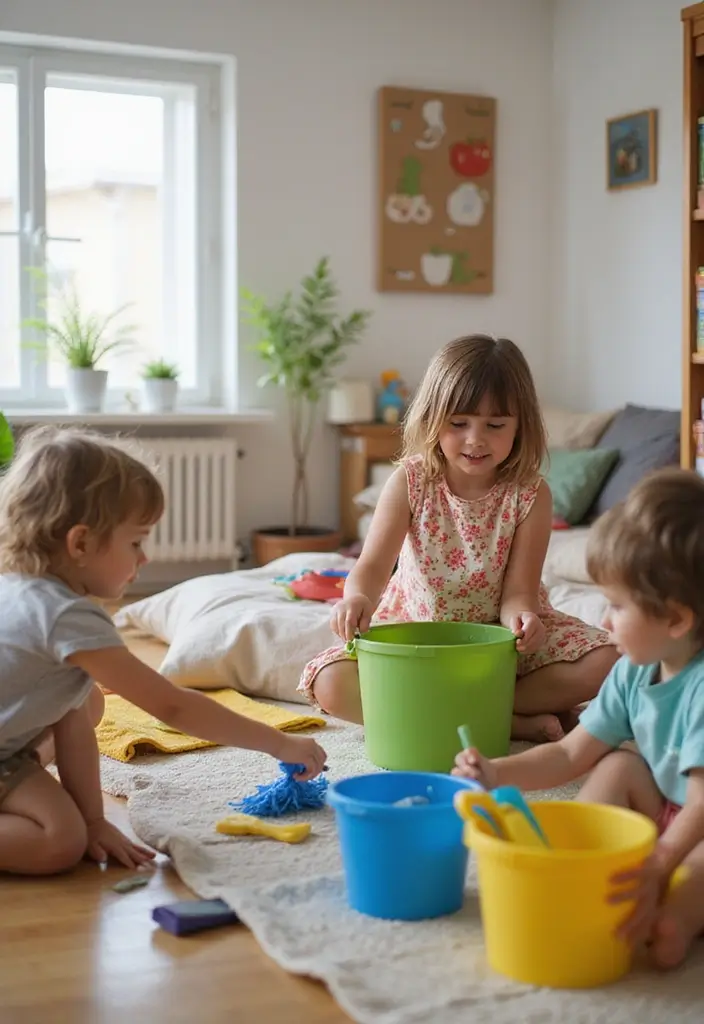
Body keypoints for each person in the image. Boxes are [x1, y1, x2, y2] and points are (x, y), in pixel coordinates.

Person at [0, 427, 326, 877]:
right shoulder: (66, 617)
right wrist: (279, 743)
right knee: (60, 841)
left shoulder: (21, 588)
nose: (144, 559)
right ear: (80, 543)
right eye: (136, 542)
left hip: (8, 748)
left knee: (87, 702)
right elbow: (172, 705)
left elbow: (72, 718)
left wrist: (95, 818)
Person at [298, 334, 616, 741]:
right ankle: (503, 721)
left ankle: (448, 714)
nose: (475, 439)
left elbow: (519, 591)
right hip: (417, 638)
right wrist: (357, 598)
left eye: (495, 425)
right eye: (459, 423)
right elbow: (372, 568)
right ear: (433, 419)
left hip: (499, 650)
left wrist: (523, 619)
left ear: (520, 427)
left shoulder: (530, 495)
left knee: (610, 659)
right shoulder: (410, 481)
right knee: (331, 683)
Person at [454, 468, 704, 970]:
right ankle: (582, 869)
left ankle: (674, 918)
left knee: (696, 871)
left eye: (616, 605)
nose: (604, 621)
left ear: (676, 619)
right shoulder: (635, 671)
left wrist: (662, 860)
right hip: (673, 808)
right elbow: (571, 754)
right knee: (616, 766)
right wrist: (499, 772)